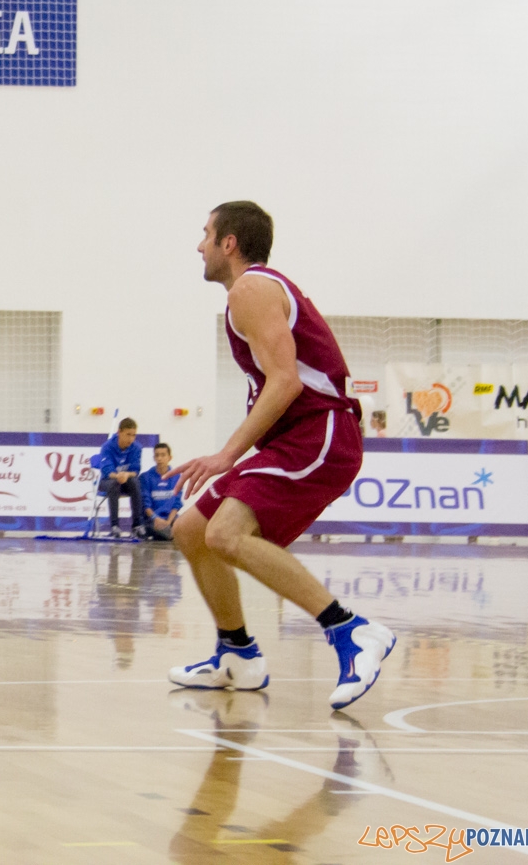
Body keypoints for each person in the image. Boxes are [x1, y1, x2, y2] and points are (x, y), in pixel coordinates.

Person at [167, 201, 394, 710]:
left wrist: (227, 453)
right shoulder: (251, 293)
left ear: (229, 243)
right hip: (294, 435)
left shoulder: (252, 288)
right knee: (190, 529)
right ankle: (237, 655)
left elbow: (287, 382)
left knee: (225, 534)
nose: (198, 245)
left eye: (205, 234)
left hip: (321, 431)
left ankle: (351, 631)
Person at [97, 418, 144, 536]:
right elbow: (107, 471)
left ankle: (137, 525)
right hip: (107, 481)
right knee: (114, 484)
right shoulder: (107, 447)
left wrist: (126, 474)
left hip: (127, 481)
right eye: (128, 435)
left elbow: (136, 470)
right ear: (119, 432)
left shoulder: (136, 447)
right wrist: (118, 476)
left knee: (136, 482)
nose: (131, 439)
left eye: (133, 435)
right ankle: (115, 526)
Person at [138, 442, 183, 539]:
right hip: (152, 519)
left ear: (169, 457)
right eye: (157, 455)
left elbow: (177, 503)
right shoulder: (145, 477)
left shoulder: (177, 477)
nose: (159, 458)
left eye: (163, 455)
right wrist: (156, 519)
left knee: (184, 529)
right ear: (154, 458)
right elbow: (146, 506)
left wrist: (169, 522)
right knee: (168, 534)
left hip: (170, 518)